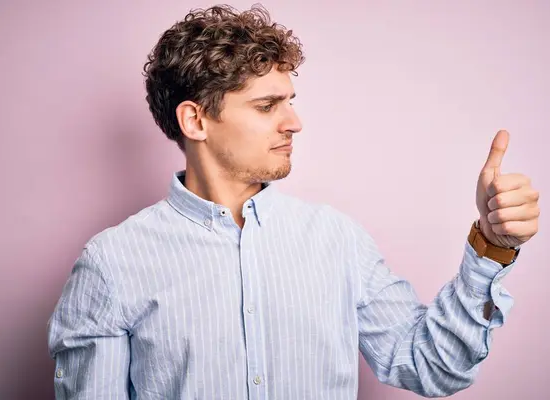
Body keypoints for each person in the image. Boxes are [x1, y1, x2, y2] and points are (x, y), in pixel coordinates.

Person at [47, 4, 540, 399]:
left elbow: (431, 369)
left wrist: (490, 247)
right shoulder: (112, 264)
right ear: (195, 121)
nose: (294, 123)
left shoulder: (337, 240)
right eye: (267, 106)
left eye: (289, 100)